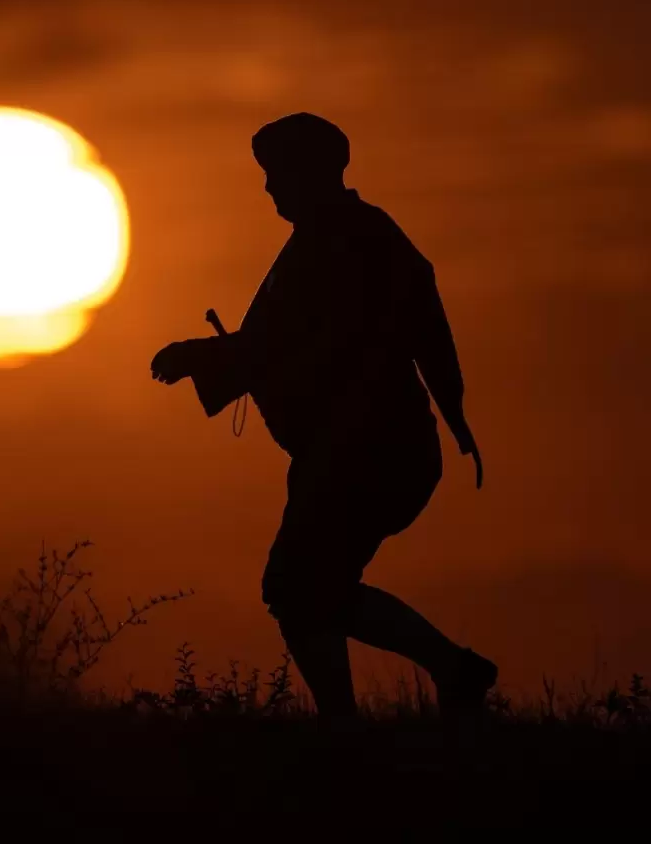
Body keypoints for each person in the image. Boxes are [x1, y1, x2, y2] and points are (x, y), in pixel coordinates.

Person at [150, 112, 497, 721]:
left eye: (275, 174)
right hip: (347, 451)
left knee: (296, 586)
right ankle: (437, 678)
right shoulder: (338, 238)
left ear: (307, 172)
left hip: (367, 451)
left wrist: (199, 355)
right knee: (309, 589)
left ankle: (391, 700)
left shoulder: (346, 241)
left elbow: (299, 339)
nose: (268, 188)